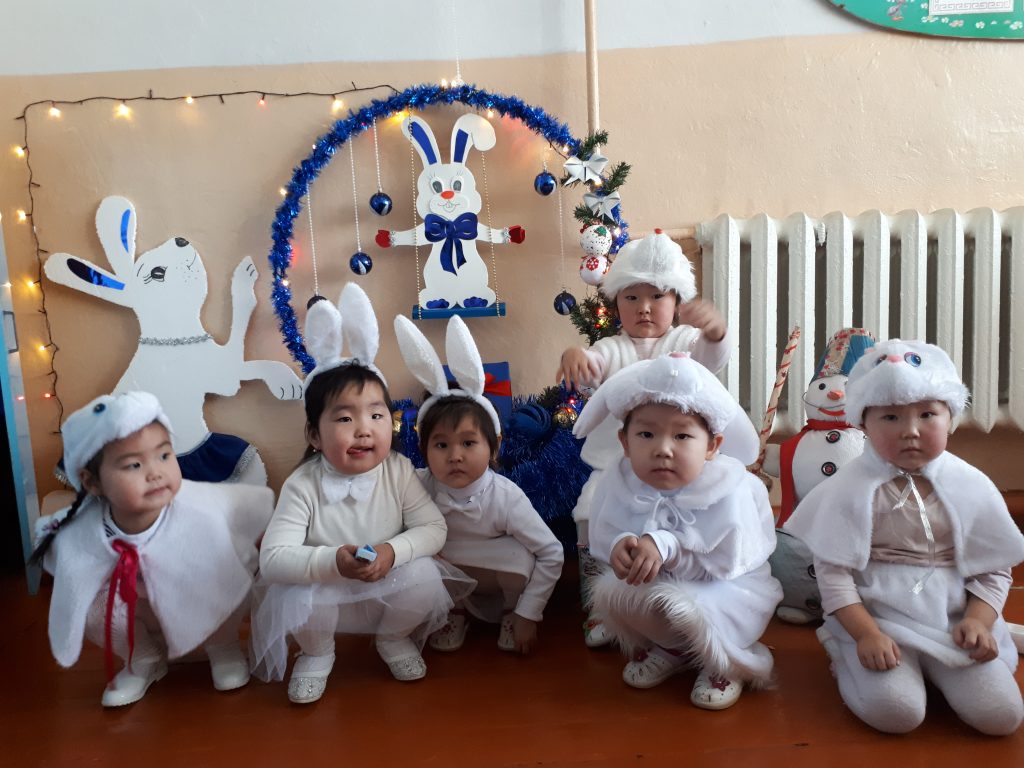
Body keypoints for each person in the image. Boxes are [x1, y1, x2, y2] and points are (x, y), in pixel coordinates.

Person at [785, 339, 1024, 735]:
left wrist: (978, 621)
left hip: (954, 623)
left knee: (1001, 717)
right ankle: (844, 651)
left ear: (950, 418)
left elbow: (994, 569)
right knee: (897, 713)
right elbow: (834, 574)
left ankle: (941, 670)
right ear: (863, 424)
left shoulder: (971, 486)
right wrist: (866, 634)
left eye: (927, 414)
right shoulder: (848, 489)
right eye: (891, 417)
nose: (910, 431)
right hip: (878, 619)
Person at [250, 284, 471, 704]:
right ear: (315, 435)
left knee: (426, 575)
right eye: (344, 418)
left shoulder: (398, 470)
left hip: (385, 584)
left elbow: (433, 528)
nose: (364, 429)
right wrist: (331, 561)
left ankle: (393, 638)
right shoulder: (303, 484)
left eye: (376, 414)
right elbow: (273, 558)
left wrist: (392, 552)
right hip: (326, 591)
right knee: (294, 590)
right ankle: (317, 653)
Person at [555, 230, 742, 647]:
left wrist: (716, 331)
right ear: (616, 303)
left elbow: (711, 358)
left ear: (676, 301)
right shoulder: (611, 347)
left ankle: (687, 587)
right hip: (619, 463)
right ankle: (598, 604)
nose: (644, 307)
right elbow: (592, 365)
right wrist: (575, 356)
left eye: (657, 296)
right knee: (590, 510)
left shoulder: (683, 341)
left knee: (695, 515)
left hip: (679, 465)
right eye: (631, 297)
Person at [30, 390, 271, 707]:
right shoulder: (86, 526)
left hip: (195, 594)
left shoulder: (198, 508)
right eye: (133, 465)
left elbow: (242, 536)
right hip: (137, 606)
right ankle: (142, 657)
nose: (155, 472)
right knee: (88, 600)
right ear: (92, 482)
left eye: (164, 456)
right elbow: (62, 557)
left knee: (225, 575)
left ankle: (222, 646)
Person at [574, 352, 782, 710]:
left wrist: (667, 546)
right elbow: (607, 530)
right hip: (664, 585)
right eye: (646, 434)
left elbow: (728, 560)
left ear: (712, 446)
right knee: (619, 592)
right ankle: (672, 648)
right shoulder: (618, 480)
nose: (663, 449)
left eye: (683, 435)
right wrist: (621, 546)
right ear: (625, 442)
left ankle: (728, 659)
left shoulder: (732, 488)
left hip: (727, 588)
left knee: (700, 606)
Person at [394, 314, 563, 655]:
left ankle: (509, 614)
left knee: (520, 554)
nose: (455, 456)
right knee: (416, 558)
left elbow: (551, 552)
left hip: (499, 576)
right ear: (424, 449)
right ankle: (453, 613)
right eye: (441, 445)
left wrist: (528, 612)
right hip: (449, 575)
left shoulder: (505, 496)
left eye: (469, 443)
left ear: (494, 446)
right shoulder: (418, 484)